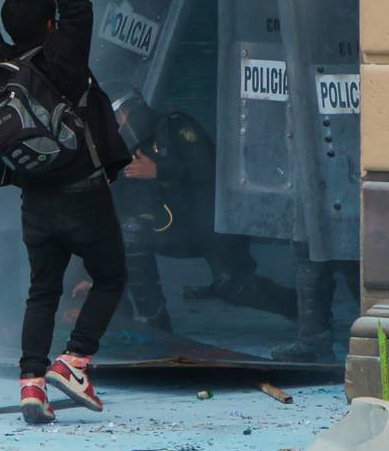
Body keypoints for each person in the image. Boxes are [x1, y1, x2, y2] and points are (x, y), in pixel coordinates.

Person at [0, 0, 130, 426]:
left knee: (42, 292)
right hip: (84, 192)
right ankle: (74, 361)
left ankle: (31, 385)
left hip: (33, 199)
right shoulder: (64, 55)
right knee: (111, 276)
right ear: (53, 25)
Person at [105, 89, 296, 333]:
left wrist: (159, 170)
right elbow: (109, 212)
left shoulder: (175, 126)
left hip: (214, 225)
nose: (115, 126)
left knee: (232, 286)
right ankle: (153, 319)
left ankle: (300, 306)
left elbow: (207, 168)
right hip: (178, 230)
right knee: (129, 232)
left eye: (117, 118)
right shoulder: (124, 153)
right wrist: (90, 275)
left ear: (128, 111)